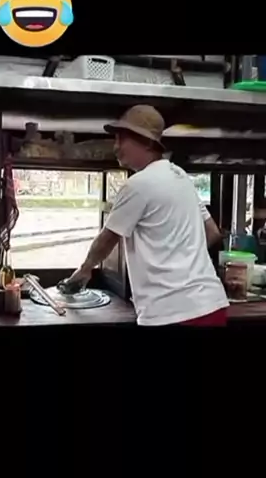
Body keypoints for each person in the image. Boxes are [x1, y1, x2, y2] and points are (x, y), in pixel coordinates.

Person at [61, 105, 229, 327]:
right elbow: (212, 233)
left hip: (172, 314)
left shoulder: (138, 185)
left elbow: (107, 239)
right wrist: (181, 260)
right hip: (212, 304)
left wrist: (83, 272)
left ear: (148, 143)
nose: (115, 147)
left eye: (122, 140)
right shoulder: (180, 177)